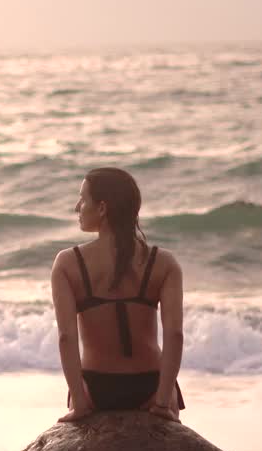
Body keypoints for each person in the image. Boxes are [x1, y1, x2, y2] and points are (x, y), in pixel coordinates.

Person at [50, 167, 185, 424]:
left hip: (95, 390)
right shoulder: (163, 262)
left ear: (102, 208)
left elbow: (66, 337)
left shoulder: (68, 263)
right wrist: (162, 399)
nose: (77, 206)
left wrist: (79, 402)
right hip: (150, 385)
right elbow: (175, 334)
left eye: (83, 199)